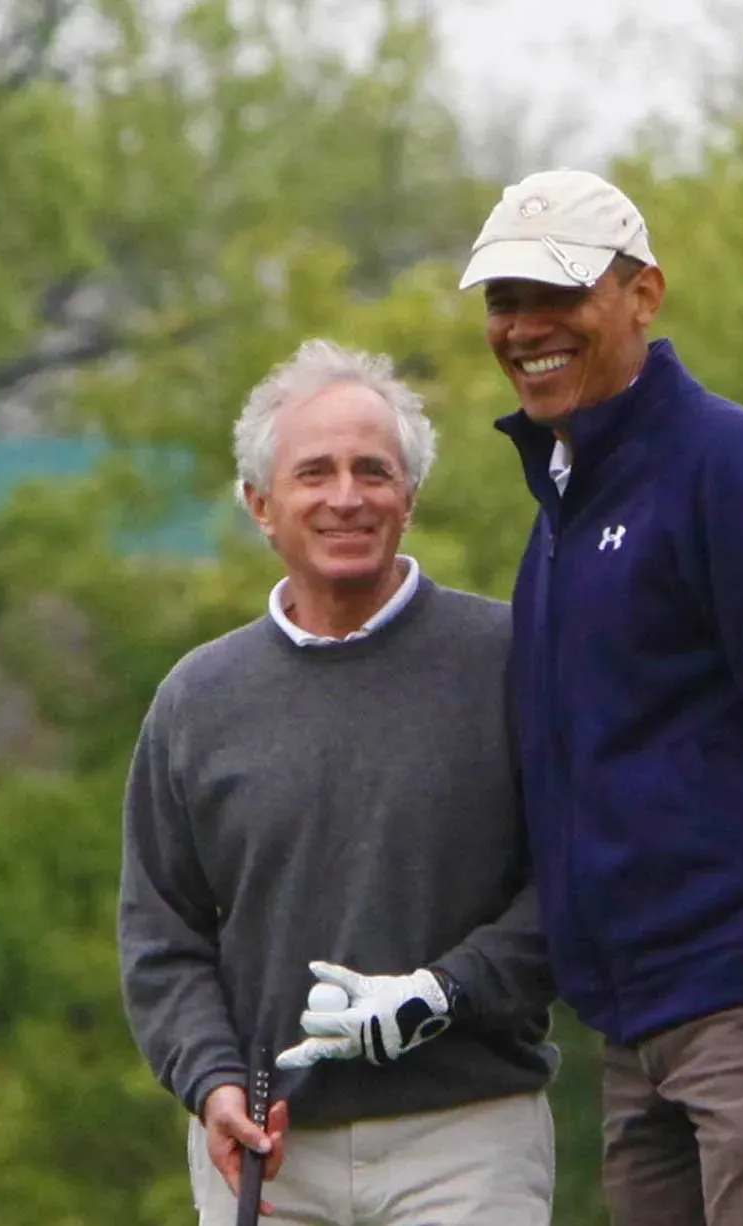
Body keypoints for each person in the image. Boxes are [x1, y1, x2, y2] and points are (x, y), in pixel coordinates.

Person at [458, 167, 743, 1226]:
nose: (527, 327)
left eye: (558, 294)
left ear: (643, 295)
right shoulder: (564, 510)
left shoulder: (732, 471)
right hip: (637, 1022)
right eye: (503, 301)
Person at [117, 338, 559, 1225]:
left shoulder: (517, 661)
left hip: (468, 1137)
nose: (346, 497)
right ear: (260, 504)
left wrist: (447, 991)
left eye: (373, 471)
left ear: (411, 497)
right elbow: (162, 938)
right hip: (271, 1152)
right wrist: (209, 1083)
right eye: (313, 473)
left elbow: (580, 882)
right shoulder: (196, 701)